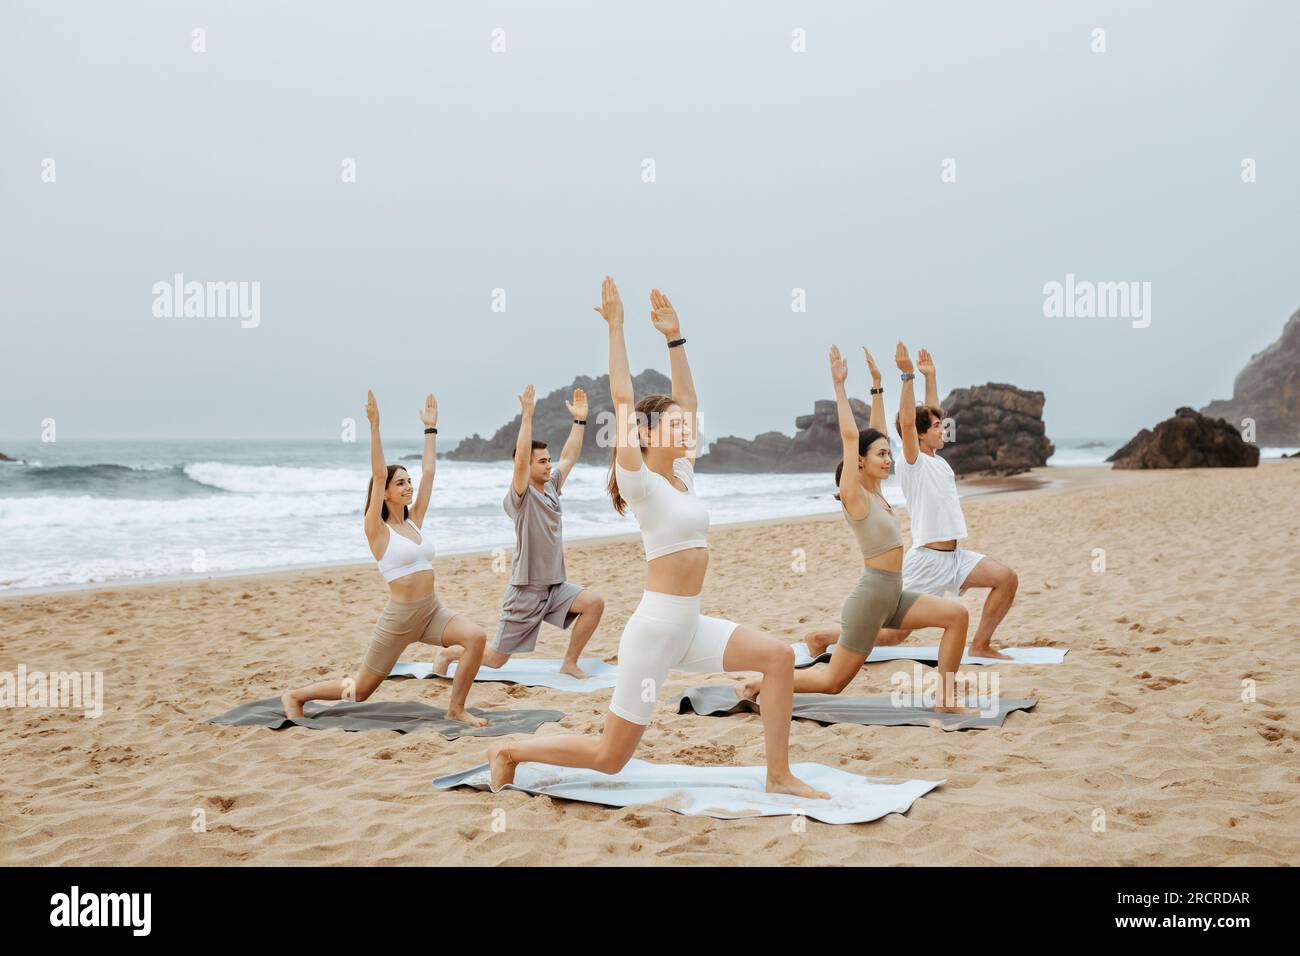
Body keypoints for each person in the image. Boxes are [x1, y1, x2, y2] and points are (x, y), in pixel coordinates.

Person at [487, 278, 827, 799]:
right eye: (673, 424)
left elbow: (687, 399)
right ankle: (509, 749)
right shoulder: (639, 482)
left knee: (779, 657)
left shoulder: (684, 476)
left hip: (690, 625)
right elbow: (624, 398)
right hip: (654, 632)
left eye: (684, 424)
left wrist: (676, 338)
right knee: (610, 758)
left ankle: (778, 774)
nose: (686, 426)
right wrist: (618, 327)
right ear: (644, 435)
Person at [745, 345, 976, 712]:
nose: (888, 459)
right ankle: (761, 682)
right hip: (870, 600)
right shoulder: (856, 497)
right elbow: (854, 438)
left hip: (895, 595)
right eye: (881, 456)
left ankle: (945, 700)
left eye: (888, 454)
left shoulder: (877, 491)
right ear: (859, 463)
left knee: (957, 615)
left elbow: (876, 432)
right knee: (831, 682)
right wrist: (839, 386)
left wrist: (878, 387)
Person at [280, 390, 489, 725]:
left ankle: (456, 708)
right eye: (401, 483)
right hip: (399, 619)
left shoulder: (413, 520)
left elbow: (431, 472)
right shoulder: (376, 529)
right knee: (360, 691)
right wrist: (375, 425)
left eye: (409, 482)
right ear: (387, 491)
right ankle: (297, 695)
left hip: (432, 611)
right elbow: (378, 474)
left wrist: (430, 431)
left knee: (476, 637)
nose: (408, 487)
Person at [803, 346, 1018, 660]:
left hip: (955, 557)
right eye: (935, 428)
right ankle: (823, 636)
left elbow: (928, 414)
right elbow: (908, 424)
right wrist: (907, 377)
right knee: (893, 636)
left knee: (1006, 579)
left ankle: (981, 644)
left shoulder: (936, 460)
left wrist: (931, 377)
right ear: (918, 436)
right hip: (928, 560)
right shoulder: (912, 462)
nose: (942, 430)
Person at [482, 383, 606, 679]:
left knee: (594, 603)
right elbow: (523, 457)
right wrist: (527, 415)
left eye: (548, 460)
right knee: (496, 660)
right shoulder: (520, 496)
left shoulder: (551, 485)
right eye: (542, 461)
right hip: (525, 590)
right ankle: (450, 653)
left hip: (555, 586)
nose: (549, 465)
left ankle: (570, 662)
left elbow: (570, 456)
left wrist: (580, 421)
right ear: (524, 465)